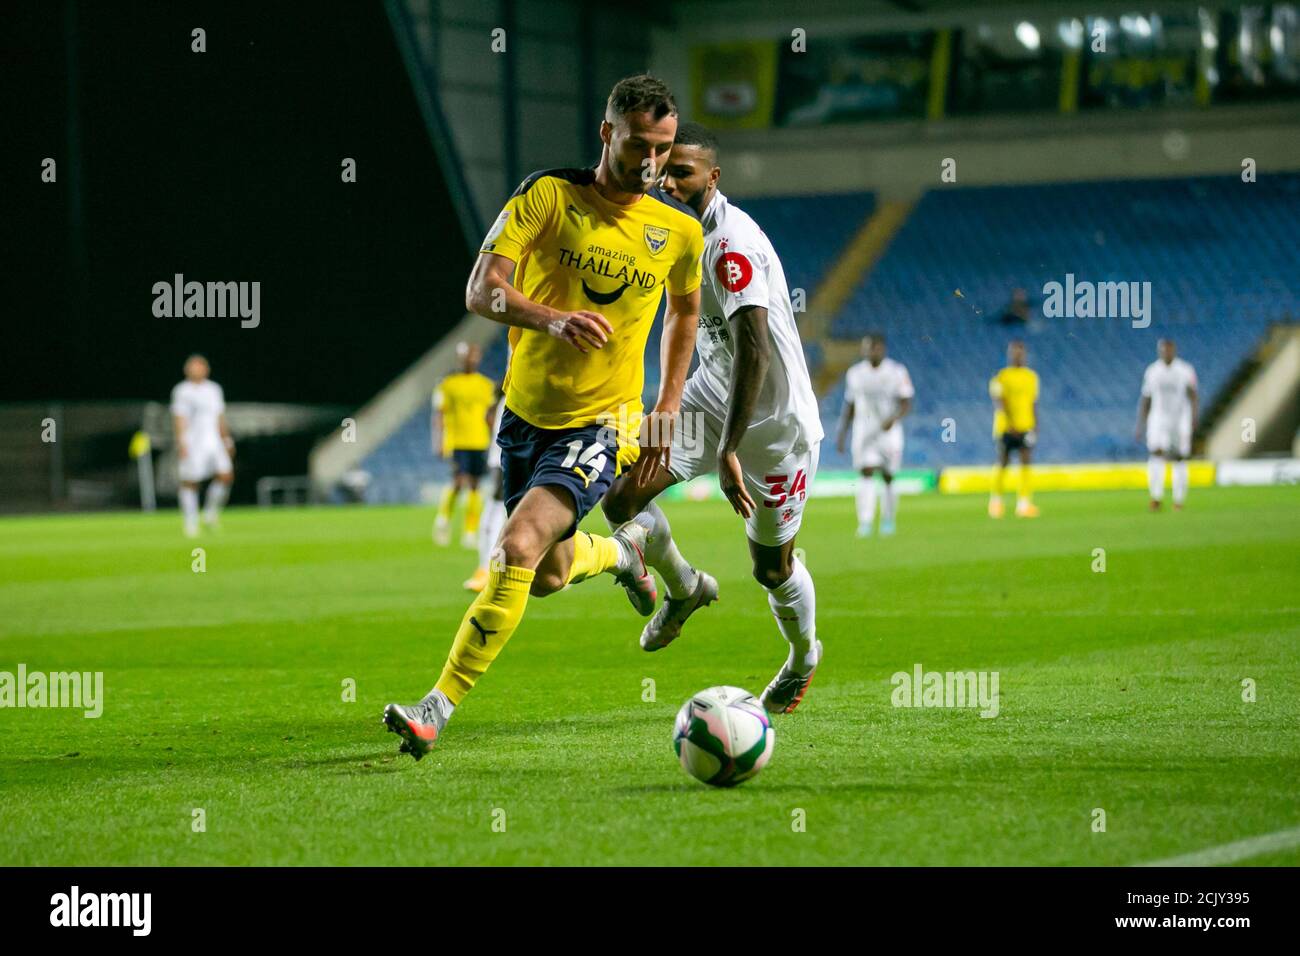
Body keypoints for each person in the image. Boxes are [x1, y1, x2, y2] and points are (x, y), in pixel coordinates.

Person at [383, 74, 704, 758]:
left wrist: (668, 405)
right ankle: (625, 553)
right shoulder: (548, 196)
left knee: (518, 548)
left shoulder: (678, 230)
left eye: (664, 149)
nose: (651, 163)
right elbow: (481, 290)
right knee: (551, 574)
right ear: (606, 132)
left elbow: (685, 311)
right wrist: (550, 319)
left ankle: (435, 708)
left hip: (606, 423)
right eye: (639, 145)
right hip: (525, 417)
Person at [602, 121, 824, 715]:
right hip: (704, 397)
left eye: (683, 173)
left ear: (712, 178)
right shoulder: (665, 234)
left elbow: (754, 346)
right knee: (621, 496)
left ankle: (804, 658)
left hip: (774, 427)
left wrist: (728, 449)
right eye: (661, 170)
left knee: (771, 568)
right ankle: (685, 587)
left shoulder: (730, 244)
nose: (668, 182)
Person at [837, 333, 913, 536]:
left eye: (875, 347)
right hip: (864, 432)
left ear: (882, 349)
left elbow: (906, 402)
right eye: (867, 348)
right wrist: (842, 433)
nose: (871, 351)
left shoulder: (896, 371)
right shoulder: (855, 373)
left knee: (888, 476)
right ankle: (865, 522)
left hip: (889, 433)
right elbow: (850, 404)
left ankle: (888, 520)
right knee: (866, 472)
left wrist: (894, 418)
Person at [432, 342, 496, 547]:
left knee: (475, 486)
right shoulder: (448, 384)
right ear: (460, 358)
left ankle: (470, 532)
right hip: (457, 441)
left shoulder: (486, 385)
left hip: (479, 441)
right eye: (467, 356)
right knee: (459, 482)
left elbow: (489, 416)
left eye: (474, 356)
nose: (471, 359)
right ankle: (443, 519)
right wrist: (439, 441)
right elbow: (439, 414)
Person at [170, 354, 234, 537]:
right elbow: (179, 418)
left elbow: (219, 417)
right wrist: (181, 442)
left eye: (200, 366)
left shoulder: (214, 389)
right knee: (190, 481)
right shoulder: (182, 391)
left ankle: (209, 514)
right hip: (193, 441)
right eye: (193, 366)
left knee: (225, 475)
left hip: (213, 440)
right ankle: (190, 522)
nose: (197, 370)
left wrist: (227, 439)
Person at [1137, 338, 1198, 511]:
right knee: (1156, 454)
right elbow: (1146, 398)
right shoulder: (1152, 371)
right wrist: (1140, 424)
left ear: (1174, 351)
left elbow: (1193, 395)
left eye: (1169, 350)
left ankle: (1179, 500)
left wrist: (1194, 418)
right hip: (1158, 419)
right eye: (1163, 350)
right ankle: (1156, 497)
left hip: (1180, 419)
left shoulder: (1185, 370)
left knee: (1179, 458)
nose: (1166, 353)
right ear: (1159, 351)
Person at [988, 340, 1039, 518]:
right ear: (1009, 354)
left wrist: (1035, 425)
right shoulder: (1001, 376)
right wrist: (1010, 424)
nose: (1017, 355)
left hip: (1025, 426)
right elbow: (999, 402)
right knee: (1003, 462)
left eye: (1020, 352)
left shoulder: (1031, 377)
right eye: (1014, 352)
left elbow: (1033, 403)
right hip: (1006, 428)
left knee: (1026, 461)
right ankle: (995, 502)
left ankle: (1023, 504)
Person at [464, 396, 508, 591]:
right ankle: (486, 569)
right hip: (504, 457)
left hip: (513, 454)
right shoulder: (509, 397)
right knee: (497, 507)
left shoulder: (512, 395)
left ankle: (491, 569)